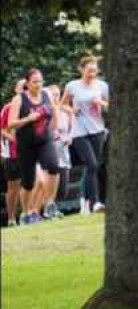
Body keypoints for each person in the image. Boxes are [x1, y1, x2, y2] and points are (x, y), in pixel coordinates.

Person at [6, 69, 61, 225]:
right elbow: (10, 124)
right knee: (28, 183)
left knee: (54, 166)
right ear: (27, 83)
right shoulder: (19, 99)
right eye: (35, 82)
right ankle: (25, 213)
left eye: (40, 81)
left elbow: (53, 110)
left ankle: (50, 203)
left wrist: (55, 128)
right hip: (26, 144)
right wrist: (28, 118)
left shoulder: (47, 94)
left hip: (45, 140)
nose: (38, 84)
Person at [62, 55, 109, 215]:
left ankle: (86, 201)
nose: (92, 74)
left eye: (95, 71)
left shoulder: (102, 86)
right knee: (92, 164)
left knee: (94, 167)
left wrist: (100, 103)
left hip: (98, 130)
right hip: (79, 132)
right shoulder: (72, 86)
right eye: (89, 71)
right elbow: (62, 105)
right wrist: (71, 110)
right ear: (81, 69)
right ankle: (95, 203)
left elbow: (112, 106)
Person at [44, 85, 72, 219]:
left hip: (64, 152)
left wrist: (70, 137)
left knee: (63, 188)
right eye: (52, 94)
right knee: (48, 183)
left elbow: (71, 129)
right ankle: (47, 210)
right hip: (50, 152)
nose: (55, 96)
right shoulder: (46, 111)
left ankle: (53, 208)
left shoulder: (65, 112)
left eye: (57, 94)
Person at [1, 80, 26, 226]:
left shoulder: (33, 106)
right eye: (21, 87)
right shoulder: (8, 108)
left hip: (31, 151)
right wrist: (15, 140)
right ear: (16, 90)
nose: (24, 90)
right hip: (13, 153)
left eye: (26, 87)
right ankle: (11, 218)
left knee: (33, 183)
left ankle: (28, 214)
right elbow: (2, 129)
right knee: (13, 187)